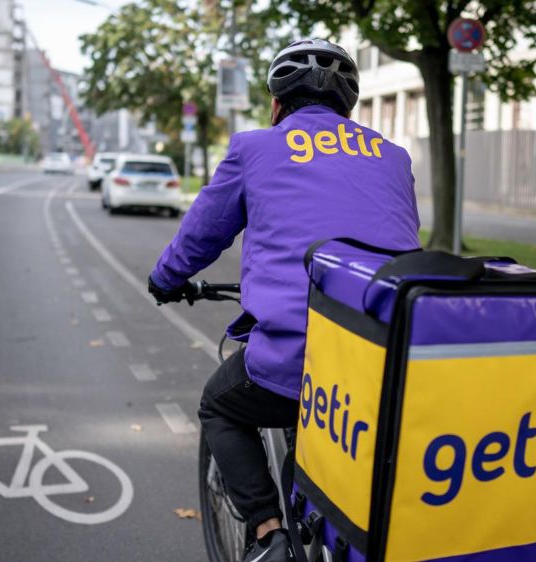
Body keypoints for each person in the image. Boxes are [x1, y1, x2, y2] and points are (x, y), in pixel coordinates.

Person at [148, 38, 420, 562]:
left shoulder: (256, 147)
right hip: (384, 356)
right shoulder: (393, 156)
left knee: (219, 406)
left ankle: (267, 533)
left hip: (297, 359)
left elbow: (202, 235)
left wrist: (165, 279)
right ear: (350, 109)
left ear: (276, 106)